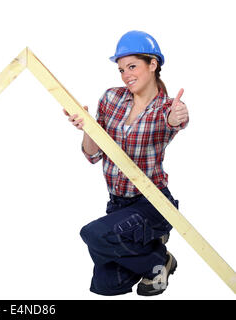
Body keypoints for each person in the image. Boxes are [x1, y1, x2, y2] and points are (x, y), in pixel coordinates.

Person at [64, 30, 189, 296]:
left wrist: (178, 116)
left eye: (132, 66)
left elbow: (173, 121)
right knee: (106, 287)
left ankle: (157, 260)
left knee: (94, 234)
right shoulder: (112, 98)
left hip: (152, 202)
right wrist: (88, 128)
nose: (126, 75)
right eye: (121, 69)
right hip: (118, 204)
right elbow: (92, 155)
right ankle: (151, 249)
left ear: (153, 64)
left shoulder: (166, 108)